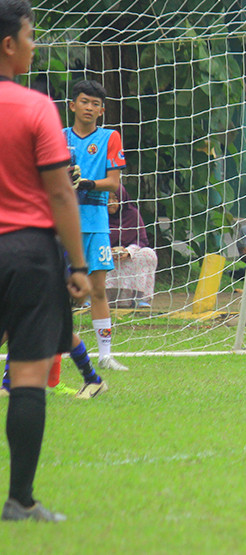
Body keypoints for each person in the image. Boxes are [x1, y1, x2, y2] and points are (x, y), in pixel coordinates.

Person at [0, 0, 91, 522]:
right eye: (31, 37)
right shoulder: (36, 107)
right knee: (29, 377)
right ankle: (20, 500)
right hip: (29, 254)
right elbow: (60, 193)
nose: (35, 46)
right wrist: (77, 265)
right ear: (9, 44)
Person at [64, 79, 129, 371]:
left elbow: (114, 183)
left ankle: (105, 354)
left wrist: (87, 182)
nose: (89, 107)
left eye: (95, 104)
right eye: (84, 101)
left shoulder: (109, 138)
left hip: (96, 222)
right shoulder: (58, 136)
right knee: (59, 291)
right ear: (72, 105)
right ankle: (55, 350)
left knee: (98, 289)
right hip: (64, 223)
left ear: (102, 110)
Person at [107, 186, 158, 308]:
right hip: (104, 256)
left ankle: (138, 298)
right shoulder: (97, 215)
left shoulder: (132, 214)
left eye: (115, 199)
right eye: (106, 199)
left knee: (148, 254)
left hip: (127, 256)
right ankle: (91, 298)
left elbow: (142, 240)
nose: (110, 203)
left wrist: (128, 251)